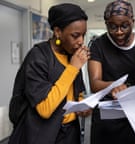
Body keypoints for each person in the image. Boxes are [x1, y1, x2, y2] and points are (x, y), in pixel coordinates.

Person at [8, 3, 91, 144]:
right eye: (75, 36)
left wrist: (82, 106)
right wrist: (73, 68)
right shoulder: (38, 56)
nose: (81, 41)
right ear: (58, 31)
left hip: (70, 133)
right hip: (42, 134)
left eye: (83, 35)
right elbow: (45, 109)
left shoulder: (71, 55)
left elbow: (77, 93)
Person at [87, 0, 135, 144]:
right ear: (106, 24)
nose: (118, 32)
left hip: (133, 112)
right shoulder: (98, 45)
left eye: (124, 26)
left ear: (132, 22)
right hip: (106, 115)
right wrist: (114, 86)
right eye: (112, 27)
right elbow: (94, 83)